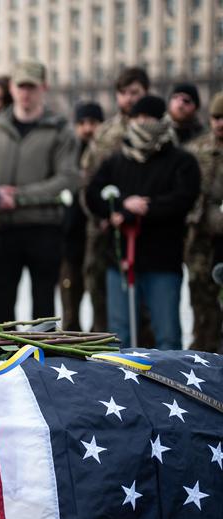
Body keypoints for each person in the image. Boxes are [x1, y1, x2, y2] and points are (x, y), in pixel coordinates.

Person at [85, 95, 199, 350]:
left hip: (162, 261)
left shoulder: (180, 161)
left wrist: (147, 207)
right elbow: (94, 194)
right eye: (136, 118)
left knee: (167, 334)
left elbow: (183, 198)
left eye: (147, 118)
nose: (141, 124)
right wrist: (120, 206)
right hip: (121, 261)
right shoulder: (117, 161)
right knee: (119, 334)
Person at [0, 59, 77, 323]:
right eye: (21, 86)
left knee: (44, 310)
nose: (26, 93)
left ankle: (42, 352)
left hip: (43, 228)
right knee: (0, 311)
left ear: (43, 88)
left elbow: (68, 178)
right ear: (12, 88)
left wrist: (20, 197)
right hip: (2, 228)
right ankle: (3, 350)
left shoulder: (59, 130)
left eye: (32, 87)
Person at [81, 66, 150, 332]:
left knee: (146, 310)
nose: (129, 98)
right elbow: (87, 182)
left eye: (135, 92)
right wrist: (101, 215)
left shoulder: (158, 129)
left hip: (146, 230)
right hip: (105, 228)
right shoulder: (105, 133)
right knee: (101, 301)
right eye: (123, 93)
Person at [184, 92, 223, 352]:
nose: (220, 123)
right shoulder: (195, 150)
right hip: (200, 240)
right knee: (201, 303)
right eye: (216, 117)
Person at [60, 101, 104, 331]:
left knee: (100, 306)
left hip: (99, 239)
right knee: (70, 306)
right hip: (70, 239)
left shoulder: (105, 154)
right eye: (82, 123)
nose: (88, 128)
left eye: (93, 122)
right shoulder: (67, 153)